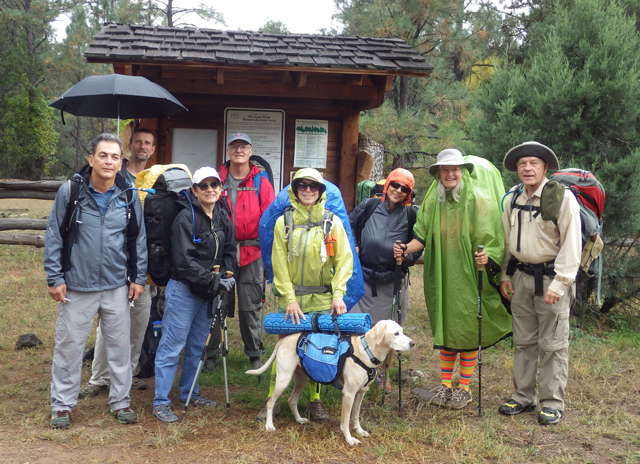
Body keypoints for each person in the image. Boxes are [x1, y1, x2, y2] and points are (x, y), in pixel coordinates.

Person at [393, 149, 512, 409]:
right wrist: (405, 249)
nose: (450, 174)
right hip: (440, 272)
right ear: (438, 174)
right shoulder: (433, 201)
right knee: (445, 325)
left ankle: (465, 388)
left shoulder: (477, 198)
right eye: (444, 170)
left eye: (454, 169)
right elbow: (421, 235)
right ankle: (446, 385)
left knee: (467, 325)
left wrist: (486, 257)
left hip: (469, 274)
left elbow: (491, 235)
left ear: (463, 171)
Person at [44, 133, 148, 429]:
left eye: (115, 157)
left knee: (120, 348)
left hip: (116, 285)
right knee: (69, 347)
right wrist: (55, 277)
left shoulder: (128, 195)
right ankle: (62, 405)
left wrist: (138, 278)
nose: (109, 161)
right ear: (91, 160)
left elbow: (138, 238)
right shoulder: (71, 191)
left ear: (121, 163)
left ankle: (121, 401)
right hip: (77, 285)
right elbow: (54, 235)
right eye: (103, 155)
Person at [258, 168, 353, 422]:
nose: (308, 190)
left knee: (319, 350)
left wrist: (338, 293)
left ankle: (314, 400)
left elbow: (344, 260)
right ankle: (272, 399)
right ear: (295, 189)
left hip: (323, 298)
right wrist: (288, 298)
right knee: (284, 348)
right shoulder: (284, 222)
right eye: (302, 185)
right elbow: (278, 262)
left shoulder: (332, 222)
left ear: (321, 191)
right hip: (292, 301)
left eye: (314, 186)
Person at [498, 141, 581, 425]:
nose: (528, 168)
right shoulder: (512, 198)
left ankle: (551, 402)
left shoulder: (561, 197)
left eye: (534, 163)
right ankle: (522, 396)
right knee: (523, 341)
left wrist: (560, 284)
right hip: (520, 278)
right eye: (522, 164)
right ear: (517, 169)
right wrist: (505, 275)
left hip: (550, 279)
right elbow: (510, 241)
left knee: (553, 344)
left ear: (545, 167)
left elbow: (572, 243)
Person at [152, 166, 236, 423]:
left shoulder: (222, 215)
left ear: (221, 189)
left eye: (215, 185)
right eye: (204, 186)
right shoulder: (184, 218)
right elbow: (183, 262)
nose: (210, 190)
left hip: (209, 292)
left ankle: (190, 393)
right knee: (172, 346)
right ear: (195, 190)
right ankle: (161, 402)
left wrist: (228, 274)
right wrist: (214, 280)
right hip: (184, 290)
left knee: (198, 345)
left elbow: (231, 249)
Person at [79, 128, 156, 398]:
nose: (142, 147)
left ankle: (127, 373)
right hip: (114, 266)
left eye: (147, 143)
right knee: (108, 327)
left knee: (138, 323)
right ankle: (100, 377)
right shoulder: (114, 175)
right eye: (137, 142)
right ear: (130, 147)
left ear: (152, 149)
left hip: (142, 267)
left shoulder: (156, 178)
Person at [205, 133, 275, 371]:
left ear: (250, 150)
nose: (239, 150)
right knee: (217, 302)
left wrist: (268, 254)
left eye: (243, 146)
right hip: (221, 253)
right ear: (228, 151)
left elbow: (269, 219)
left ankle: (254, 352)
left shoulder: (260, 181)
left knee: (250, 305)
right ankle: (210, 352)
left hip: (252, 252)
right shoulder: (216, 179)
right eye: (234, 146)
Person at [349, 168, 421, 392]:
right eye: (395, 185)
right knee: (355, 325)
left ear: (408, 193)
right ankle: (350, 368)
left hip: (391, 278)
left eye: (404, 189)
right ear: (387, 185)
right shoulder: (369, 206)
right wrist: (355, 246)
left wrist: (407, 256)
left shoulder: (411, 215)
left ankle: (382, 373)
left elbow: (419, 243)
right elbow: (348, 225)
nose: (398, 191)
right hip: (363, 276)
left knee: (388, 331)